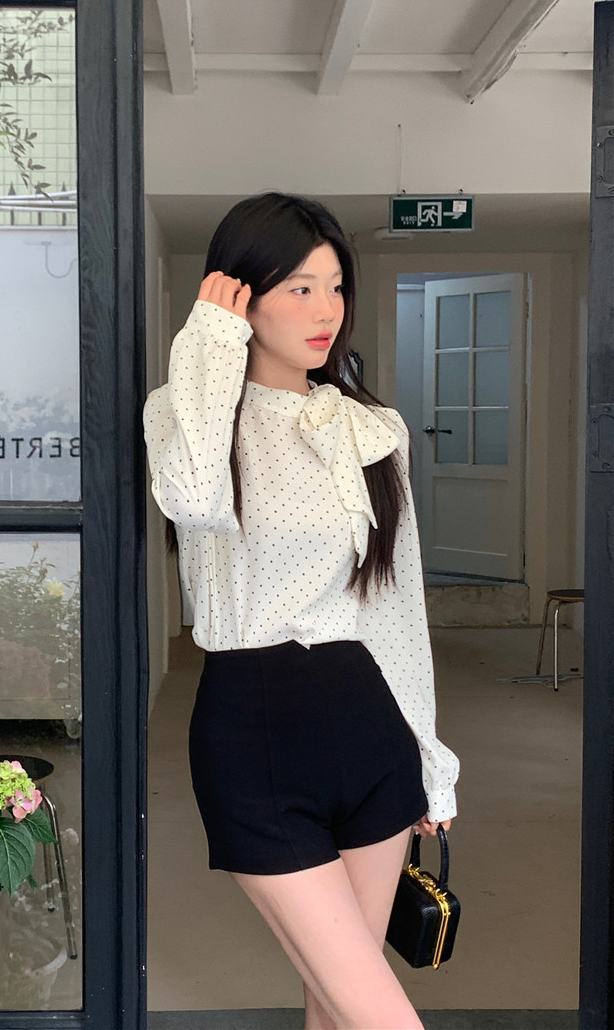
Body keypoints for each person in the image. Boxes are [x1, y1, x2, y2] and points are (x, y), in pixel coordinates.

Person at [143, 193, 459, 1030]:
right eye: (300, 289)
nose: (327, 311)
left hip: (370, 728)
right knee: (382, 1016)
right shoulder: (184, 411)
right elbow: (191, 498)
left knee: (336, 1012)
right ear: (239, 296)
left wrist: (429, 757)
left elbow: (396, 605)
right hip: (256, 732)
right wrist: (210, 341)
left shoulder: (373, 427)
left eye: (336, 287)